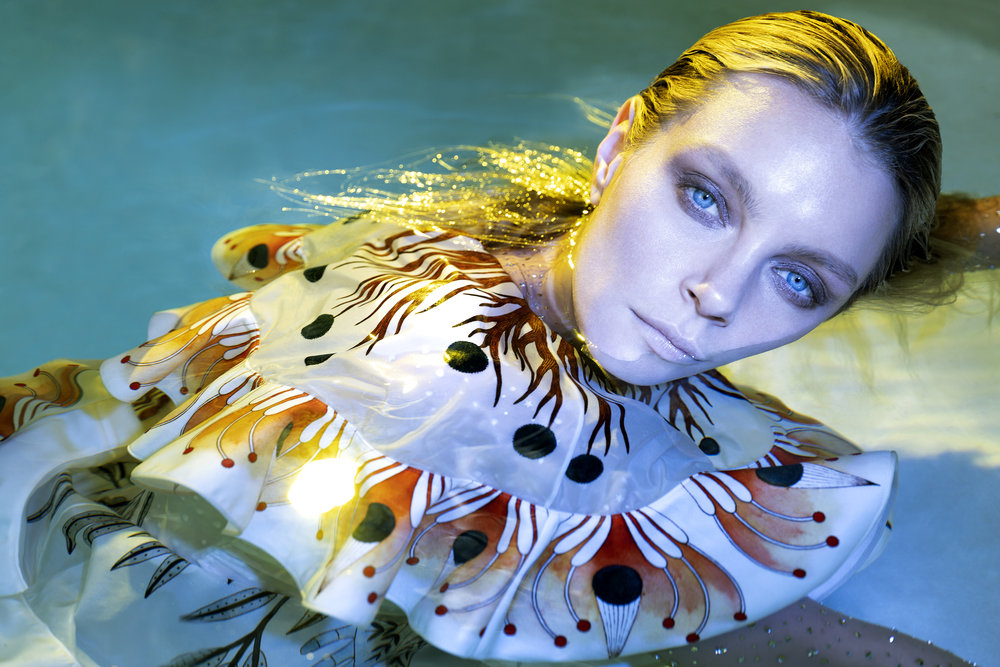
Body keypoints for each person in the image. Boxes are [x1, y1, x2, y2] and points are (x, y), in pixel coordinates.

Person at [0, 9, 990, 666]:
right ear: (619, 144)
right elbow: (756, 637)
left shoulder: (524, 235)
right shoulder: (454, 380)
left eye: (799, 278)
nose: (715, 294)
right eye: (703, 197)